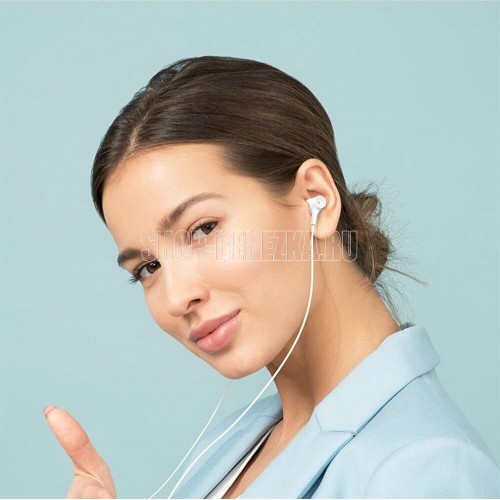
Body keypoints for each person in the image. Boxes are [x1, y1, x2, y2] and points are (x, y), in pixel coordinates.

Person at [44, 55, 500, 499]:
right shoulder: (231, 445)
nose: (177, 296)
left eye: (203, 229)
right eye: (148, 268)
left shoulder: (423, 471)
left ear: (315, 198)